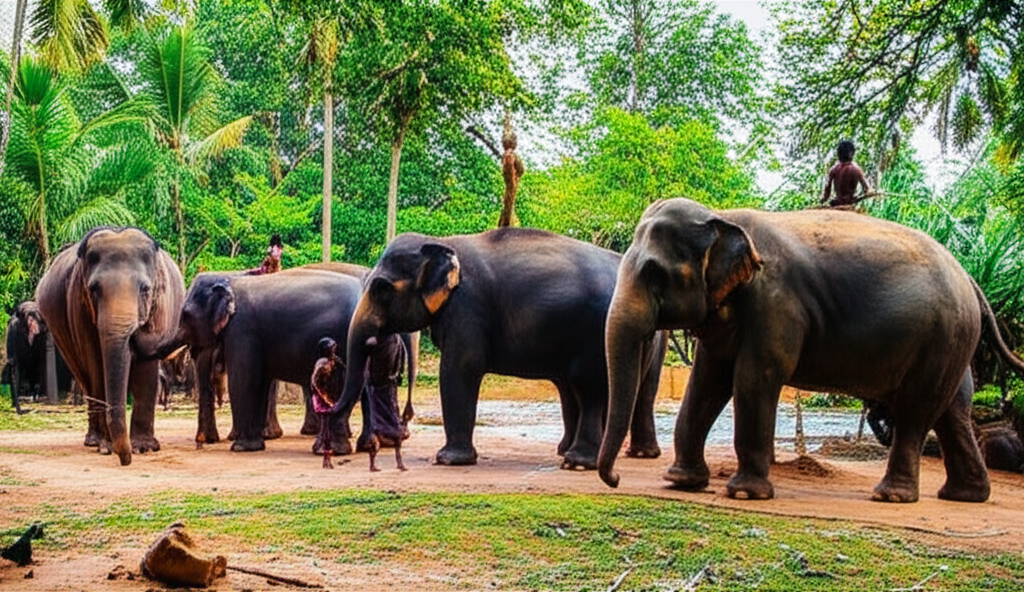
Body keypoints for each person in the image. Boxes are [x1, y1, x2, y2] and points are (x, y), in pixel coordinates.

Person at [361, 335, 408, 472]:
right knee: (376, 435)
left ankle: (398, 463)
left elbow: (397, 367)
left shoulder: (393, 340)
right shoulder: (388, 341)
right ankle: (374, 464)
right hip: (379, 391)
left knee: (394, 434)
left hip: (383, 390)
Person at [310, 337, 345, 469]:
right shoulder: (322, 364)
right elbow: (314, 382)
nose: (333, 350)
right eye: (331, 348)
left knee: (328, 428)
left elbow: (343, 367)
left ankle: (327, 459)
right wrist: (324, 398)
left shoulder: (333, 360)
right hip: (321, 398)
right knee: (326, 429)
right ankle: (326, 459)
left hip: (327, 396)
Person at [821, 140, 872, 207]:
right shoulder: (856, 169)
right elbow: (867, 189)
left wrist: (823, 200)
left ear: (838, 154)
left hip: (837, 203)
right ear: (852, 154)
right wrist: (860, 196)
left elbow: (827, 192)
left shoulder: (834, 169)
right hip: (850, 203)